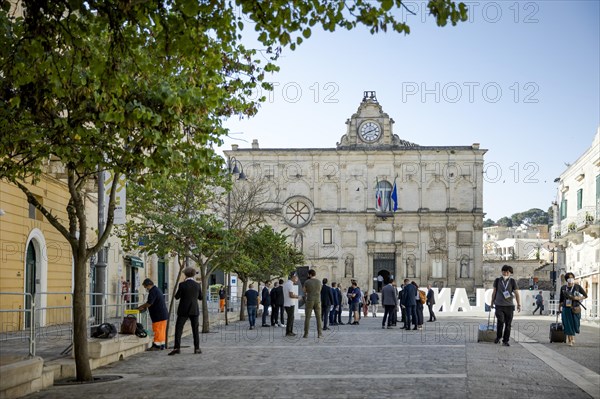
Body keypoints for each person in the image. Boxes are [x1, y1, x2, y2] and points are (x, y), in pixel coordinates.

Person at [169, 267, 202, 355]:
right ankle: (197, 348)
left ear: (185, 274)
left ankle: (177, 347)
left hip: (183, 309)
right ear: (194, 275)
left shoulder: (182, 285)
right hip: (194, 309)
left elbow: (177, 297)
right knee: (195, 329)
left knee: (179, 329)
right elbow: (201, 297)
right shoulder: (197, 285)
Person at [490, 264, 521, 347]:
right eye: (504, 272)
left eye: (507, 272)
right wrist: (491, 302)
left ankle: (505, 340)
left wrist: (518, 304)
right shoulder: (497, 280)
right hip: (499, 305)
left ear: (510, 273)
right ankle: (498, 337)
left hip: (509, 306)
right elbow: (494, 292)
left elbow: (517, 293)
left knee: (508, 324)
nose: (505, 273)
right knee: (500, 321)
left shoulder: (512, 281)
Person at [138, 278, 168, 351]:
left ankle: (156, 345)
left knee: (157, 330)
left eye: (145, 287)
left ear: (148, 285)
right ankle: (161, 345)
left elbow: (149, 303)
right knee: (161, 331)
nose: (145, 288)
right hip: (162, 314)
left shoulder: (153, 291)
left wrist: (141, 307)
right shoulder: (157, 289)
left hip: (158, 315)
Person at [558, 272, 587, 346]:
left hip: (575, 308)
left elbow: (585, 295)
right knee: (567, 324)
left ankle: (572, 337)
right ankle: (570, 339)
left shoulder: (577, 287)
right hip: (566, 308)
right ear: (566, 279)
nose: (571, 279)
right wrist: (559, 309)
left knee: (575, 324)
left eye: (572, 278)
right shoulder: (563, 288)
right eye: (569, 278)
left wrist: (578, 298)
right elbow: (561, 300)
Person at [303, 269, 323, 338]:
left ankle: (306, 334)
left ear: (310, 274)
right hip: (317, 300)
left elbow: (304, 291)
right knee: (318, 318)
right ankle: (319, 334)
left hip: (309, 300)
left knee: (307, 318)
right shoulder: (319, 282)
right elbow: (320, 290)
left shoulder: (307, 282)